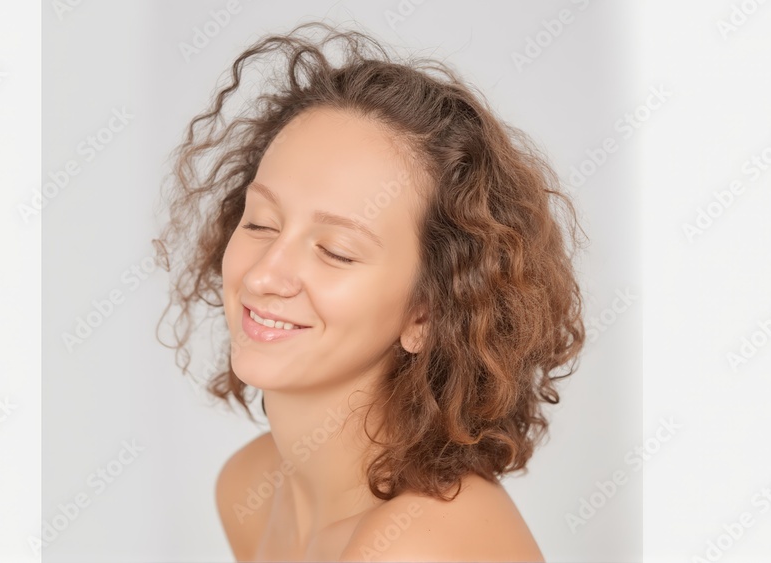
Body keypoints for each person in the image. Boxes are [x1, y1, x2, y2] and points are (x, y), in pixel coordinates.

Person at [155, 21, 586, 562]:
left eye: (336, 251)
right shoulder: (248, 488)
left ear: (426, 314)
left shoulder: (413, 549)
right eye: (260, 222)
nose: (264, 275)